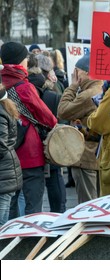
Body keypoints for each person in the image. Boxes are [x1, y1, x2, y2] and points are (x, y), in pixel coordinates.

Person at [1, 41, 57, 219]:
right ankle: (31, 243)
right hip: (29, 154)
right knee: (33, 208)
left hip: (6, 156)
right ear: (20, 62)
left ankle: (9, 244)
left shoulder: (2, 84)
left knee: (9, 207)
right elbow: (49, 119)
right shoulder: (24, 87)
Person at [57, 53, 103, 204]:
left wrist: (73, 86)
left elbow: (62, 110)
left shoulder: (88, 94)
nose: (74, 75)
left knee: (88, 205)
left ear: (87, 72)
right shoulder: (102, 88)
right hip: (99, 155)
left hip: (86, 156)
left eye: (77, 71)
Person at [27, 55, 66, 213]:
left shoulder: (27, 86)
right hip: (52, 138)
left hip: (32, 141)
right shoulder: (53, 87)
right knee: (55, 179)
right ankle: (59, 214)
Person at [0, 84, 23, 225]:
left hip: (4, 173)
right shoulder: (4, 107)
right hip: (7, 171)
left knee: (1, 223)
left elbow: (0, 145)